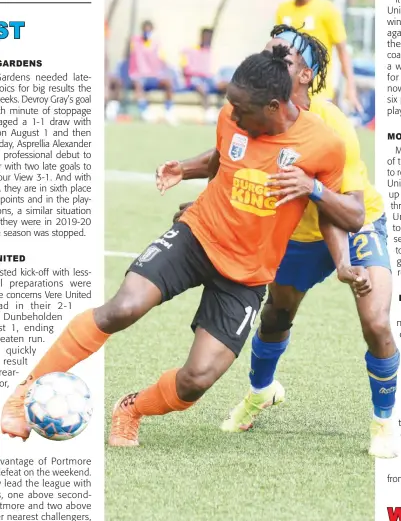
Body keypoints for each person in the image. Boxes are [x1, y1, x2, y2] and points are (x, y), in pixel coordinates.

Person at [2, 46, 364, 448]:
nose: (231, 114)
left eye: (242, 109)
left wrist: (332, 235)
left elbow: (344, 214)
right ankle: (22, 394)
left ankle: (131, 409)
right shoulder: (233, 118)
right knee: (122, 307)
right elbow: (224, 159)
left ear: (274, 107)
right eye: (231, 105)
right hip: (198, 235)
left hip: (246, 274)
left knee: (197, 380)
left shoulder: (324, 145)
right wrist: (192, 179)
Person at [156, 26, 395, 458]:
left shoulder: (331, 125)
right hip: (298, 236)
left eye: (282, 57)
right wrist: (194, 189)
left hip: (355, 225)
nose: (270, 60)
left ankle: (383, 422)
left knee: (376, 321)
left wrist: (312, 188)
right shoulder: (261, 108)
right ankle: (260, 393)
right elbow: (231, 158)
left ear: (305, 75)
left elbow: (352, 212)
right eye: (267, 52)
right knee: (276, 316)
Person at [276, 0, 362, 112]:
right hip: (289, 90)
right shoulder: (282, 10)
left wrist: (350, 88)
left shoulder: (327, 9)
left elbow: (343, 51)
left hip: (319, 91)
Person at [129, 20, 176, 125]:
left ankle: (169, 111)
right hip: (139, 76)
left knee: (168, 83)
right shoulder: (135, 41)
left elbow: (163, 60)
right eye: (145, 30)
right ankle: (144, 111)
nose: (147, 32)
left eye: (149, 30)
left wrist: (167, 71)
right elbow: (131, 53)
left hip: (154, 77)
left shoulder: (156, 44)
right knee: (138, 85)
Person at [181, 28, 227, 124]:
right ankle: (208, 113)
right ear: (201, 36)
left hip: (209, 78)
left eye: (210, 37)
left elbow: (213, 71)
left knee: (226, 85)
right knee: (202, 87)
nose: (208, 39)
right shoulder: (189, 50)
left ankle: (219, 111)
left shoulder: (211, 51)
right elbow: (185, 68)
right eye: (206, 36)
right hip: (194, 78)